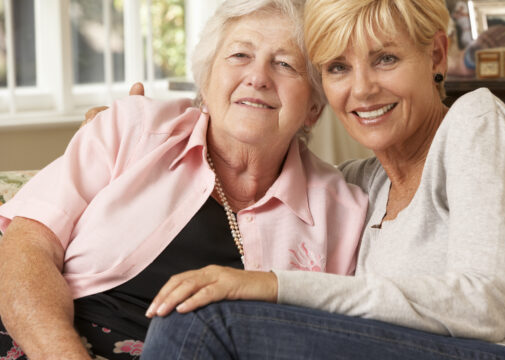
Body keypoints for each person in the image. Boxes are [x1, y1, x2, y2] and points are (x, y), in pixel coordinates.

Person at [140, 0, 505, 359]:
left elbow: (484, 307)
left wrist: (272, 283)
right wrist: (139, 136)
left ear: (436, 54)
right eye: (338, 68)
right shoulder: (362, 187)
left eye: (385, 59)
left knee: (203, 323)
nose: (361, 89)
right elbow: (261, 169)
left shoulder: (476, 123)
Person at [0, 0, 369, 358]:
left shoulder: (341, 213)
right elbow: (26, 248)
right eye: (240, 55)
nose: (258, 77)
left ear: (314, 108)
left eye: (285, 63)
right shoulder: (134, 130)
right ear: (206, 81)